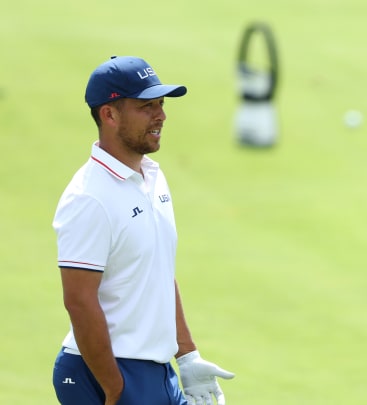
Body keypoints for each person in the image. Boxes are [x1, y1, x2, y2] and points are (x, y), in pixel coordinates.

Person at [52, 56, 235, 405]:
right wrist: (114, 388)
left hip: (155, 371)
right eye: (146, 106)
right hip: (106, 372)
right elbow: (79, 300)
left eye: (161, 104)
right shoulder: (89, 198)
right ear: (109, 115)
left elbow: (159, 272)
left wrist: (187, 355)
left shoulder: (152, 177)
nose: (161, 115)